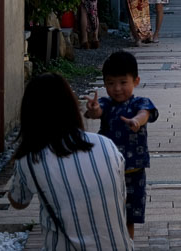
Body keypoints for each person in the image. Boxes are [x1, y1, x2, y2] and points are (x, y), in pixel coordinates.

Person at [8, 73, 133, 250]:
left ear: (30, 115)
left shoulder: (30, 159)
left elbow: (19, 201)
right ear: (71, 107)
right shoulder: (106, 145)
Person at [85, 51, 159, 240]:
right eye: (110, 83)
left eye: (123, 82)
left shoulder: (140, 103)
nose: (117, 88)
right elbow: (96, 112)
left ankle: (128, 245)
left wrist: (136, 121)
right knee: (106, 214)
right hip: (107, 171)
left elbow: (146, 113)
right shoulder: (106, 104)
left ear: (136, 80)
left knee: (129, 217)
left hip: (134, 171)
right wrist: (93, 110)